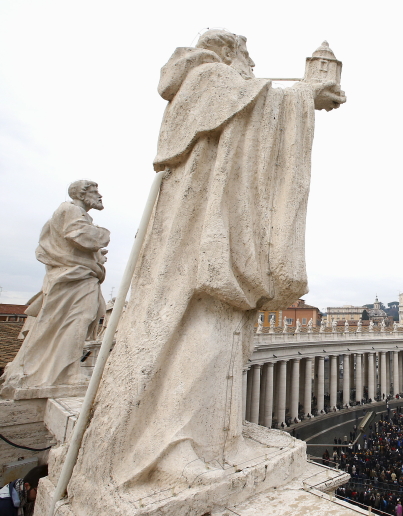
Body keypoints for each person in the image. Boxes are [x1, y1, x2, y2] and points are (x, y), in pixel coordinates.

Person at [66, 30, 345, 514]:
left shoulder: (223, 85)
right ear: (231, 52)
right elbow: (247, 112)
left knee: (227, 335)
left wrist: (298, 96)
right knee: (207, 331)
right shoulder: (207, 76)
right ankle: (172, 445)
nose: (253, 67)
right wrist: (302, 96)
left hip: (222, 223)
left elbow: (250, 111)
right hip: (204, 230)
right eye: (249, 58)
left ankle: (215, 436)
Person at [1, 181, 109, 399]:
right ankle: (67, 373)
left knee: (76, 320)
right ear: (81, 194)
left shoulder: (77, 214)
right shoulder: (70, 210)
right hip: (74, 278)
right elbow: (79, 236)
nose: (100, 196)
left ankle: (62, 370)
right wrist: (103, 234)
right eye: (95, 192)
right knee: (75, 320)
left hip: (78, 277)